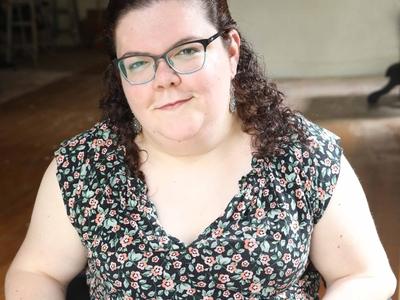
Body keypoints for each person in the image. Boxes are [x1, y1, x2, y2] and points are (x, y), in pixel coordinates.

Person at [5, 0, 397, 299]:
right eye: (138, 62)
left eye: (187, 50)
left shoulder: (303, 154)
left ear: (231, 51)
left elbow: (366, 274)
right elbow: (37, 271)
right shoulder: (84, 166)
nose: (164, 79)